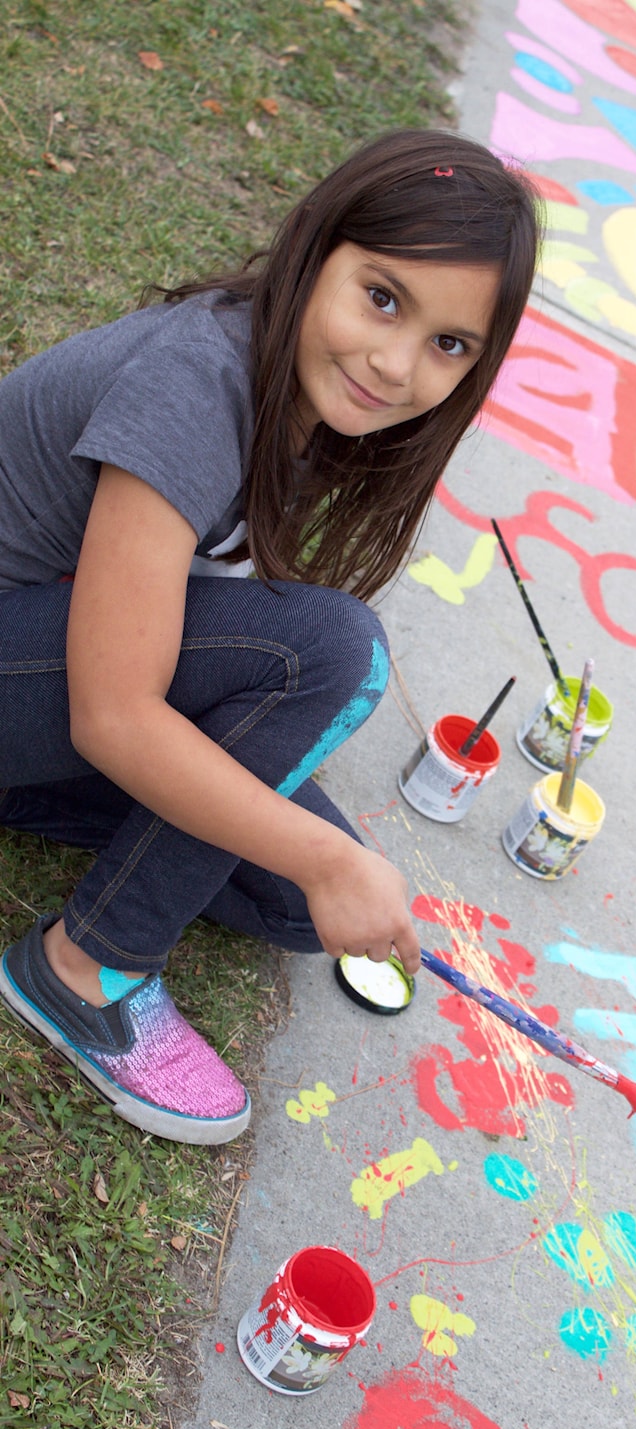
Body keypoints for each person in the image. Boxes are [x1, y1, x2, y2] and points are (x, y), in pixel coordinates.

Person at [0, 129, 540, 1146]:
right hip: (51, 676)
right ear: (315, 246)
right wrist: (322, 857)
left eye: (448, 345)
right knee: (330, 655)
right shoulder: (198, 383)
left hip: (41, 666)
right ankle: (84, 969)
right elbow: (113, 712)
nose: (395, 363)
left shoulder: (309, 395)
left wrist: (317, 865)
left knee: (299, 903)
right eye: (382, 298)